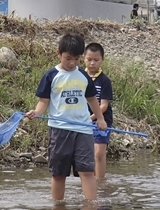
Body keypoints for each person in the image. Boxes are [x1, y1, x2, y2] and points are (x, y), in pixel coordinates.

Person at [26, 34, 107, 201]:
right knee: (59, 173)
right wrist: (37, 112)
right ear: (59, 54)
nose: (72, 63)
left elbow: (92, 99)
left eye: (76, 59)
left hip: (83, 129)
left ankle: (91, 207)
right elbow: (44, 101)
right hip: (59, 130)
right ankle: (58, 208)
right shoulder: (51, 75)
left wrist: (100, 119)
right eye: (68, 58)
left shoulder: (83, 76)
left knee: (87, 171)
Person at [84, 43, 113, 179]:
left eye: (96, 60)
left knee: (99, 154)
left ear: (102, 60)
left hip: (102, 121)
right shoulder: (80, 77)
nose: (92, 63)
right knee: (86, 153)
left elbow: (103, 106)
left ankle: (100, 182)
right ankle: (89, 181)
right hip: (83, 121)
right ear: (83, 58)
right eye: (89, 59)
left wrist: (91, 118)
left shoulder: (104, 81)